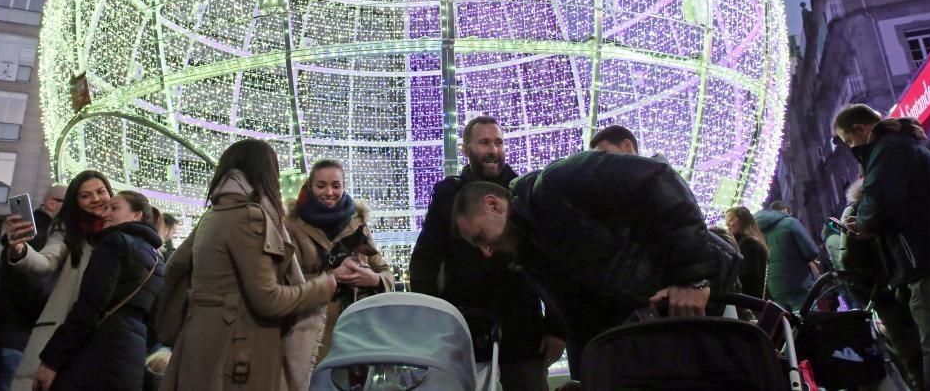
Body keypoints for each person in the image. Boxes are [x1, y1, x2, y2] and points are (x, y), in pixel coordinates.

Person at [452, 150, 739, 378]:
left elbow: (657, 178)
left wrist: (692, 278)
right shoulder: (532, 257)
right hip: (662, 337)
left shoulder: (557, 182)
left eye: (481, 237)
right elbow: (585, 325)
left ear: (494, 204)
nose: (486, 251)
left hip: (704, 306)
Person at [157, 139, 336, 391]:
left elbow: (175, 267)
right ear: (266, 173)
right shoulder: (248, 217)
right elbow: (268, 299)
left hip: (200, 344)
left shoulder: (213, 214)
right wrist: (324, 286)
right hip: (239, 353)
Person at [410, 116, 567, 390]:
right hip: (462, 327)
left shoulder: (524, 193)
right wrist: (432, 320)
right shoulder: (447, 196)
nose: (493, 150)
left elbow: (555, 262)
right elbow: (425, 259)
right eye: (484, 142)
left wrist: (556, 327)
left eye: (498, 142)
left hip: (522, 327)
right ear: (465, 149)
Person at [833, 104, 930, 389]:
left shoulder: (886, 149)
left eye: (849, 141)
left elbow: (878, 203)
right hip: (928, 257)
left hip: (924, 262)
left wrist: (864, 223)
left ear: (860, 128)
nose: (851, 148)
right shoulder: (904, 145)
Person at [31, 191, 164, 390]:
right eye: (106, 208)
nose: (104, 213)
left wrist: (51, 360)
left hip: (98, 351)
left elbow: (90, 305)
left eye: (114, 208)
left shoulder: (115, 242)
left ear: (136, 216)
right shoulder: (158, 259)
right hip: (132, 357)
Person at [4, 170, 113, 391]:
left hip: (108, 331)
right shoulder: (67, 230)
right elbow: (45, 262)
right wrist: (19, 249)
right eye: (85, 195)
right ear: (76, 201)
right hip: (66, 329)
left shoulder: (122, 233)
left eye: (101, 192)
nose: (95, 199)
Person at [285, 158, 394, 360]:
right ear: (310, 186)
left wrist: (375, 280)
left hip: (356, 334)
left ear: (344, 187)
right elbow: (286, 285)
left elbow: (385, 272)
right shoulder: (291, 226)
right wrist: (332, 277)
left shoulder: (357, 223)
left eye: (336, 186)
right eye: (321, 186)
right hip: (309, 333)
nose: (329, 193)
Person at [838, 177, 925, 390]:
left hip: (888, 293)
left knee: (910, 353)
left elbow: (849, 264)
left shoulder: (856, 211)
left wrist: (871, 296)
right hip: (907, 285)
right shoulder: (899, 199)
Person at [0, 186, 65, 391]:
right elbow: (32, 292)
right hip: (22, 339)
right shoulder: (39, 237)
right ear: (52, 203)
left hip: (11, 335)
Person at [753, 200, 820, 312]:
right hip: (798, 281)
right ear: (786, 210)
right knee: (808, 317)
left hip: (774, 285)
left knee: (787, 322)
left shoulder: (759, 229)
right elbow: (812, 252)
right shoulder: (790, 222)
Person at [725, 206, 769, 299]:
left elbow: (747, 276)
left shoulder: (748, 243)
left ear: (742, 220)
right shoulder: (751, 241)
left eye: (731, 219)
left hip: (749, 301)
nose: (727, 224)